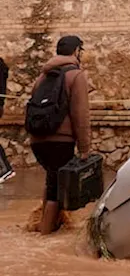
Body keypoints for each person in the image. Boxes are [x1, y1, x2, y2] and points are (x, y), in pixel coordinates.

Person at [27, 35, 92, 234]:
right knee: (57, 189)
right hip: (60, 141)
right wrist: (84, 148)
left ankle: (44, 226)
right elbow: (80, 114)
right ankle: (44, 238)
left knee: (52, 180)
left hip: (38, 140)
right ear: (76, 52)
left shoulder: (43, 75)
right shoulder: (76, 75)